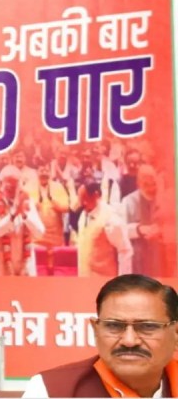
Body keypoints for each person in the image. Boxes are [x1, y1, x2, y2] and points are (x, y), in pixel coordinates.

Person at [23, 274, 178, 397]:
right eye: (114, 326)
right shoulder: (51, 390)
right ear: (96, 330)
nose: (129, 341)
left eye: (147, 327)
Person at [0, 166, 44, 276]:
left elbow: (40, 233)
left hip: (25, 268)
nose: (12, 190)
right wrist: (12, 215)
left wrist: (24, 215)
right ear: (0, 184)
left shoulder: (27, 202)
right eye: (9, 186)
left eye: (15, 186)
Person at [75, 182, 132, 277]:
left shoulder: (111, 219)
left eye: (85, 198)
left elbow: (125, 251)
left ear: (96, 195)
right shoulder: (83, 215)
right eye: (80, 198)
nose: (82, 203)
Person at [122, 165, 164, 277]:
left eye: (153, 184)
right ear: (138, 184)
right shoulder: (128, 202)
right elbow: (121, 231)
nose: (151, 188)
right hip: (138, 260)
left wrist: (161, 231)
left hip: (159, 260)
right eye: (146, 184)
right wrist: (139, 229)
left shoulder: (164, 200)